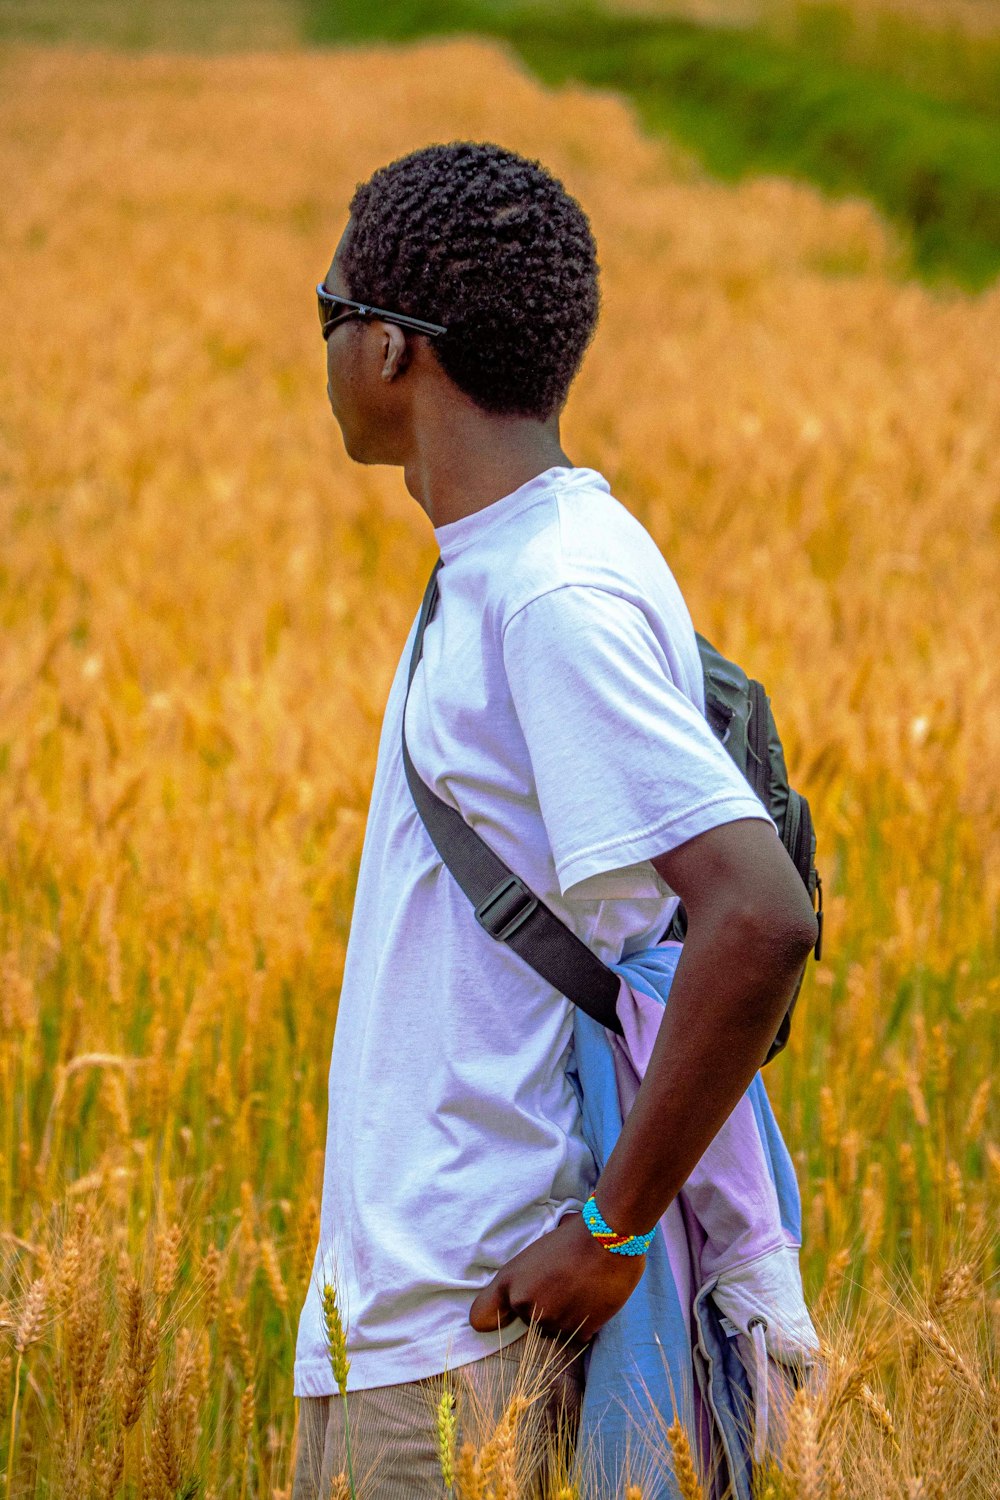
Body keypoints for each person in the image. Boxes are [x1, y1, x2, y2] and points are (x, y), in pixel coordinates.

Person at [292, 140, 818, 1499]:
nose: (326, 343)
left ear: (398, 350)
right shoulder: (516, 561)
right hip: (437, 1309)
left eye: (328, 309)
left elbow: (756, 914)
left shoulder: (548, 595)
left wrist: (613, 1227)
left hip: (467, 1329)